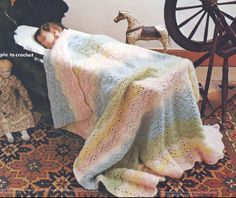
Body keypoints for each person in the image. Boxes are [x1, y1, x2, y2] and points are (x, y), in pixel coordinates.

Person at [0, 59, 35, 143]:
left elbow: (21, 89)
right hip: (2, 103)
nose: (5, 74)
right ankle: (8, 134)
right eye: (2, 72)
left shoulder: (13, 79)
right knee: (3, 118)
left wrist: (28, 101)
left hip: (14, 101)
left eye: (7, 71)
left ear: (10, 70)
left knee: (20, 112)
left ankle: (24, 132)